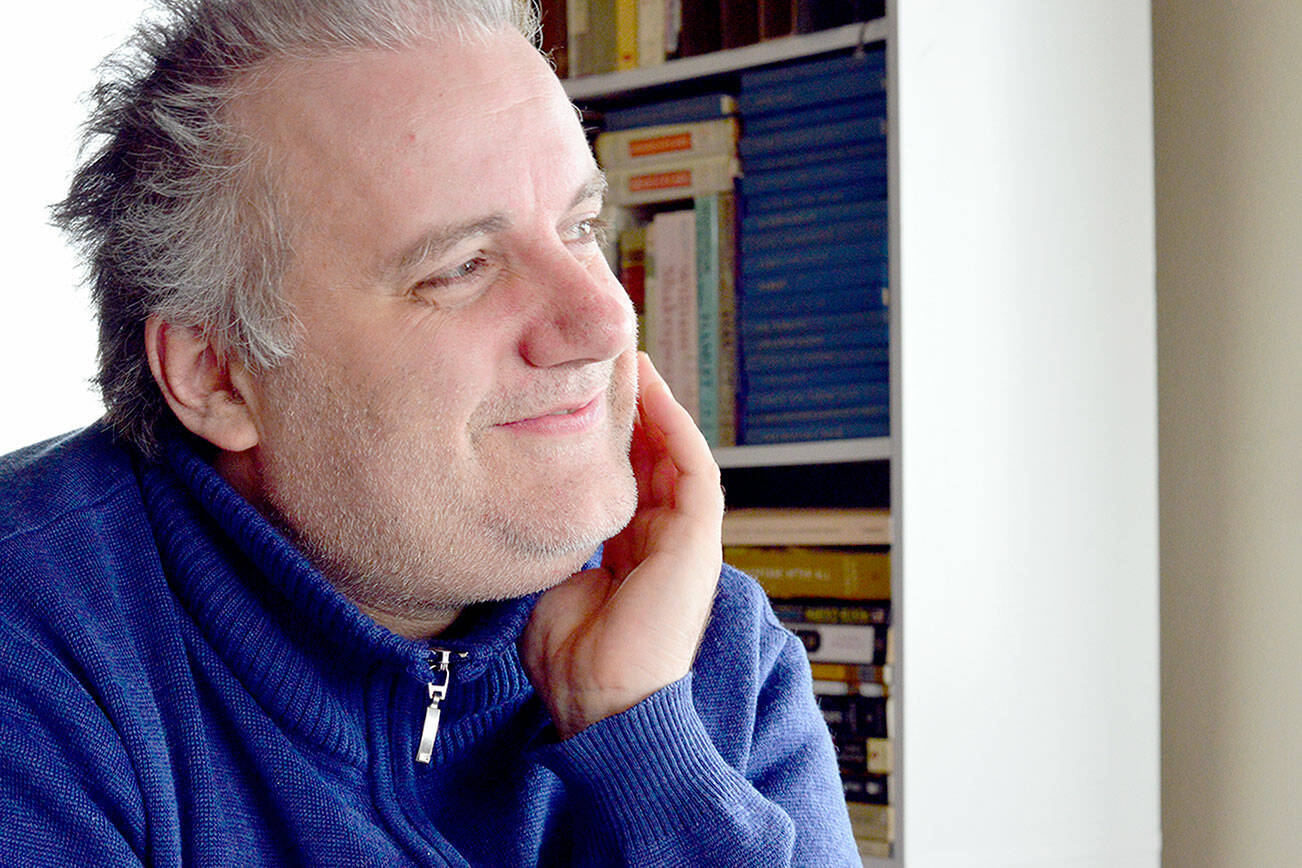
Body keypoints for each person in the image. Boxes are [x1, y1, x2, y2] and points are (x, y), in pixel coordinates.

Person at [0, 1, 859, 864]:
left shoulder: (704, 646)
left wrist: (642, 742)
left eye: (581, 228)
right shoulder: (35, 649)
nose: (604, 320)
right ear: (217, 373)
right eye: (462, 268)